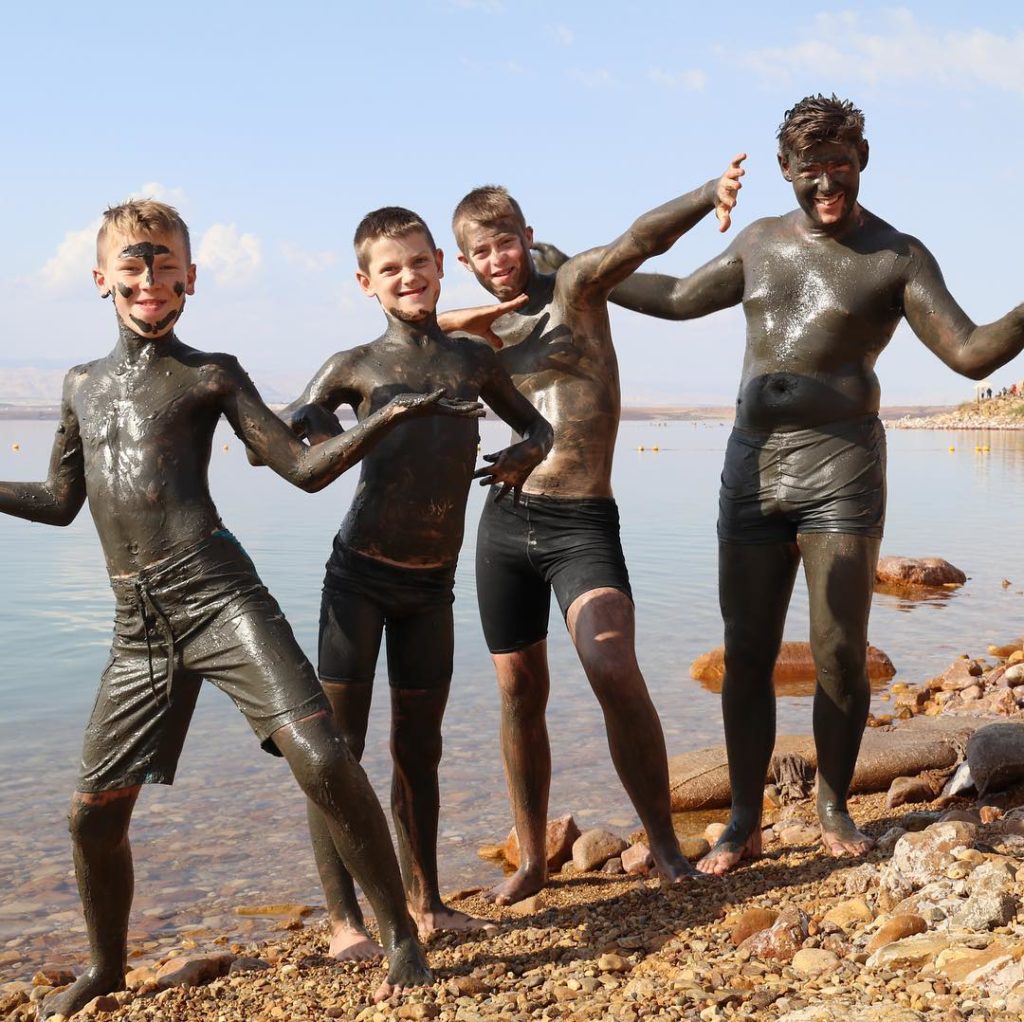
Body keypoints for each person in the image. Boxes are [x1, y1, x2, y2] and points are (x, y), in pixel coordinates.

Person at [1, 200, 482, 1016]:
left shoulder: (211, 372)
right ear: (100, 280)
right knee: (92, 815)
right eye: (133, 266)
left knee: (325, 757)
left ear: (192, 277)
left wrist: (387, 416)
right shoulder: (80, 385)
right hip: (136, 625)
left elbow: (298, 467)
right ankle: (107, 967)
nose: (149, 281)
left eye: (164, 267)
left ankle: (399, 935)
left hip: (219, 595)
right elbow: (57, 500)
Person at [532, 94, 1024, 874]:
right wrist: (579, 272)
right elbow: (679, 297)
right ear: (786, 172)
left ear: (863, 161)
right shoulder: (760, 243)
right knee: (749, 649)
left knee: (837, 650)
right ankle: (742, 822)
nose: (826, 184)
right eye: (809, 171)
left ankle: (832, 804)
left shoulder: (898, 256)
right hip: (753, 467)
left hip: (843, 470)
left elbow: (968, 355)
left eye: (840, 167)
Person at [439, 158, 745, 904]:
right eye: (480, 252)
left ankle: (666, 846)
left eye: (505, 242)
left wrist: (708, 195)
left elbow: (638, 242)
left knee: (612, 668)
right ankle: (535, 859)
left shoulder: (575, 289)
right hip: (504, 527)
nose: (496, 260)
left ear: (526, 236)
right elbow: (399, 343)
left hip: (580, 522)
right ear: (464, 262)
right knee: (519, 690)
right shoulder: (474, 335)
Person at [274, 206, 552, 958]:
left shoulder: (471, 360)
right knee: (337, 752)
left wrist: (522, 458)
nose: (408, 278)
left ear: (438, 262)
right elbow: (298, 423)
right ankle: (344, 922)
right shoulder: (354, 365)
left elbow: (538, 428)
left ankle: (427, 905)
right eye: (389, 269)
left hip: (433, 587)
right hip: (358, 579)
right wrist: (334, 435)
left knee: (418, 750)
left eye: (418, 262)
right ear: (367, 284)